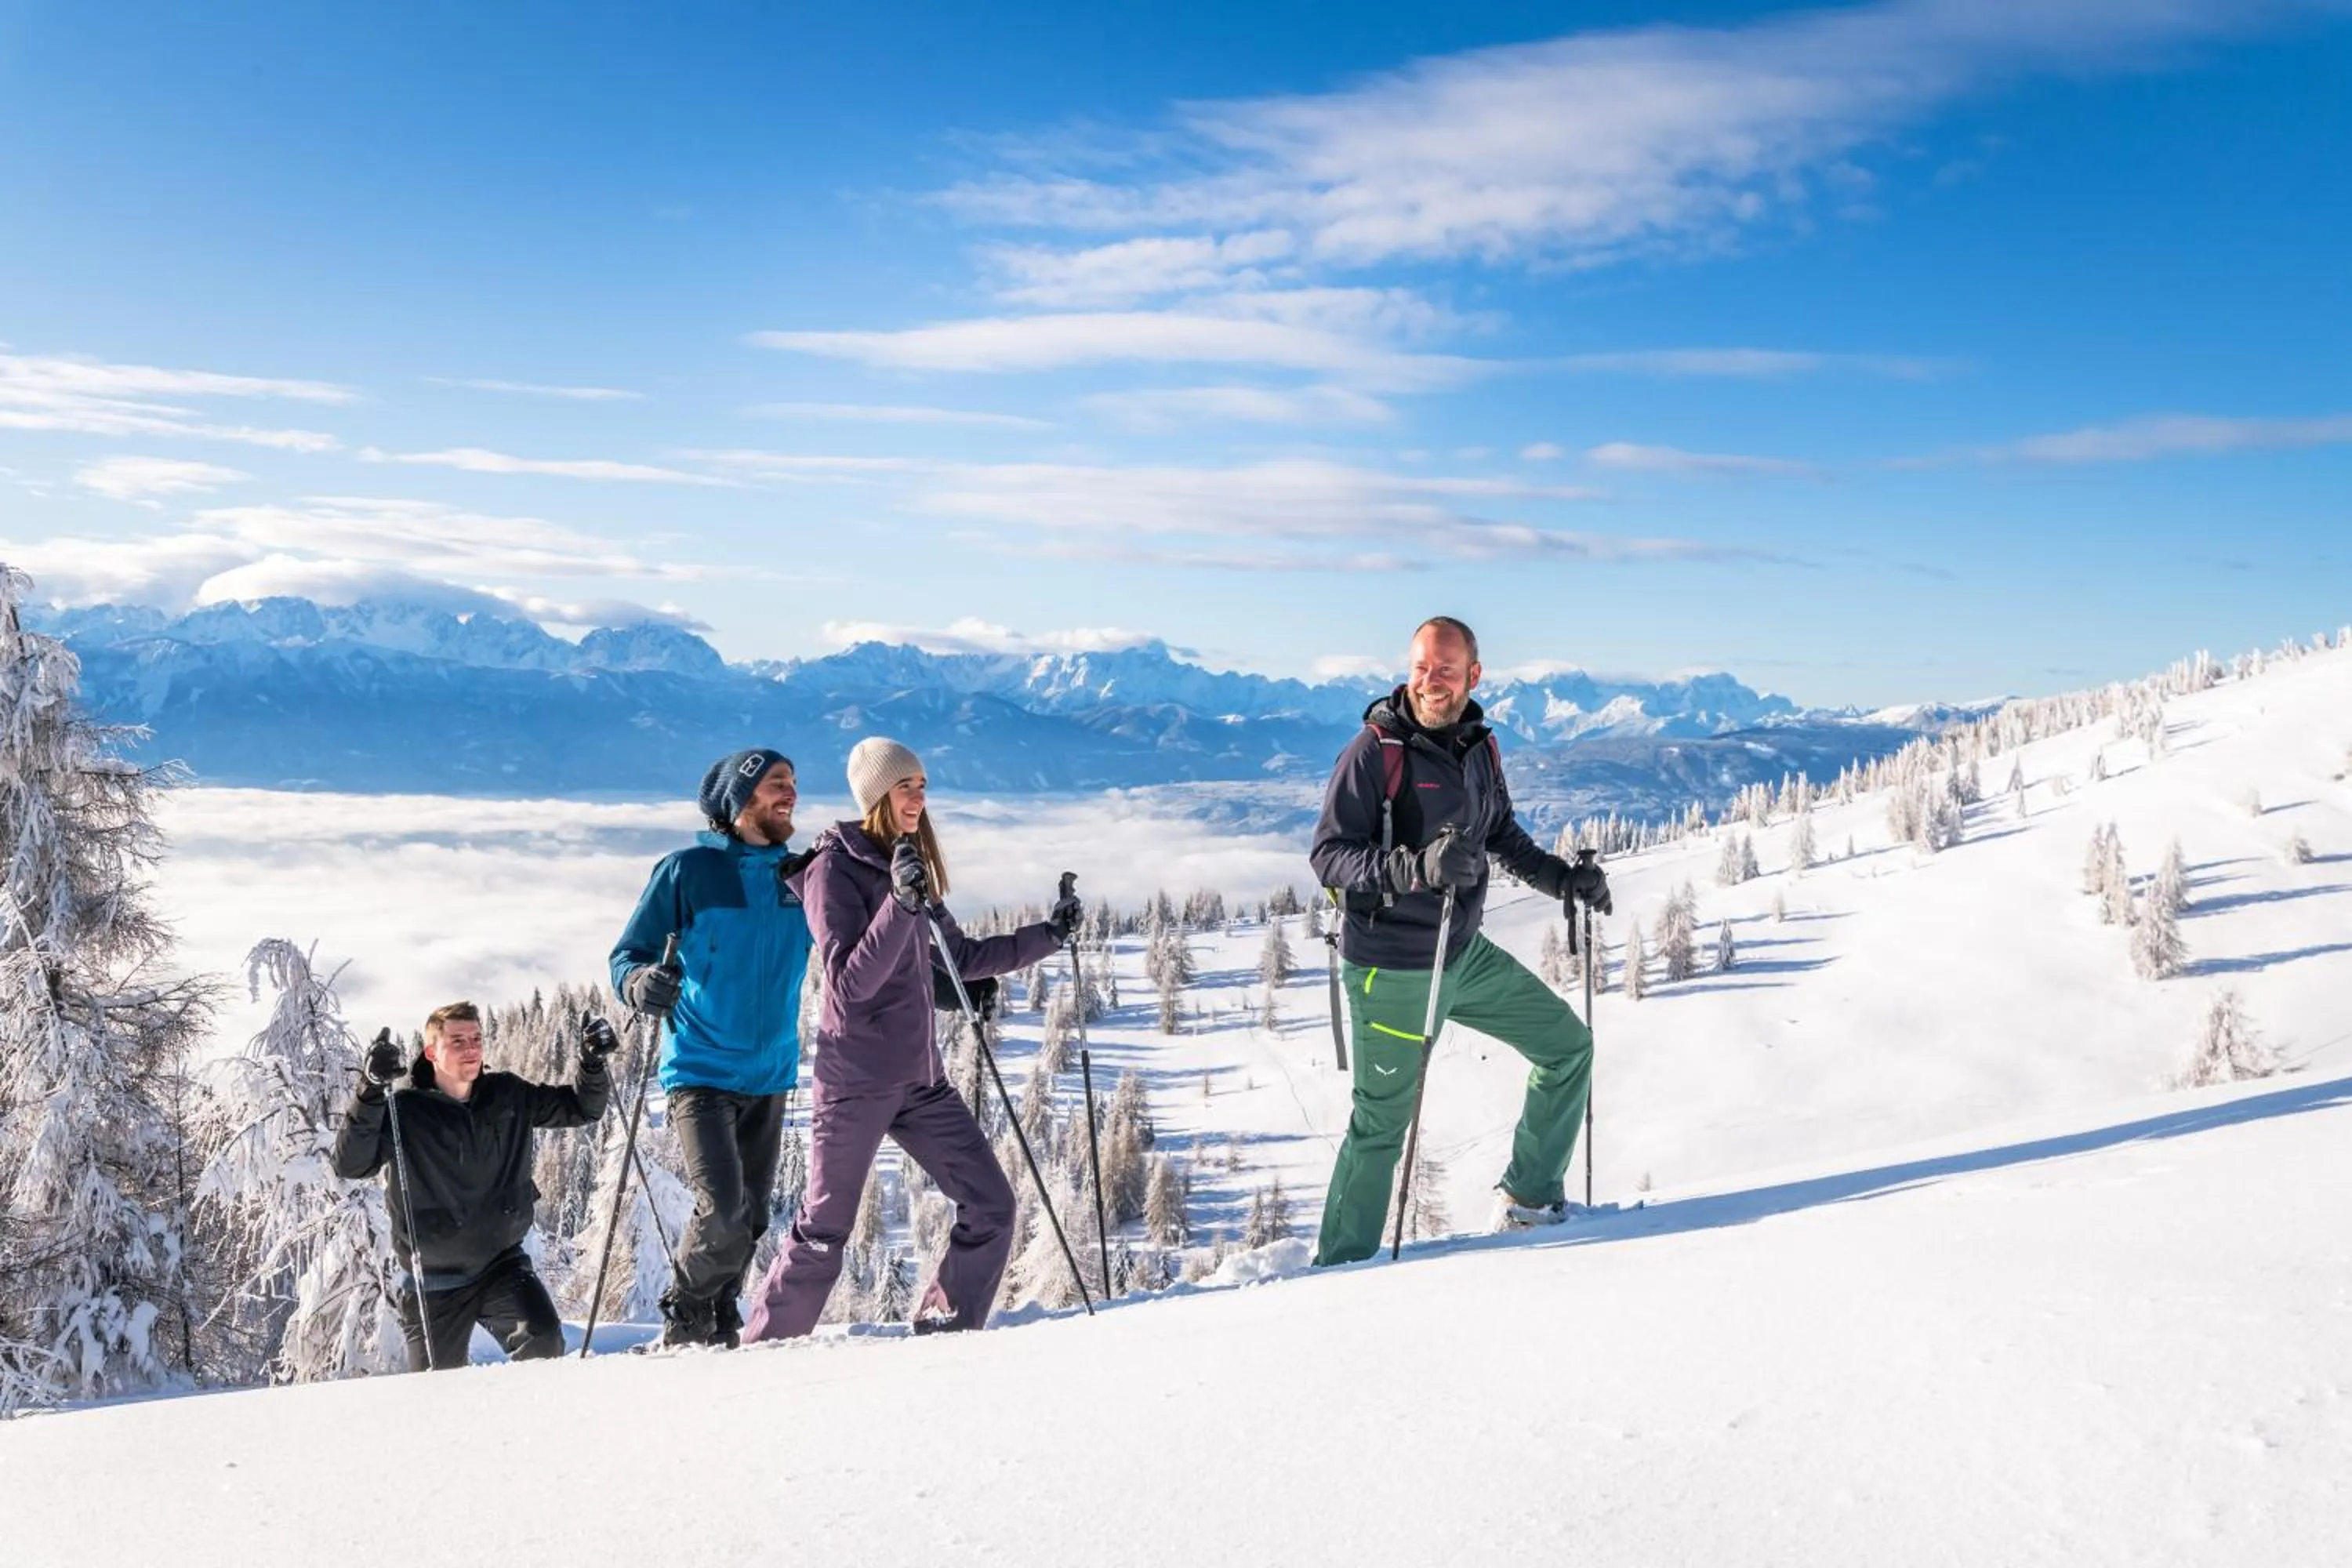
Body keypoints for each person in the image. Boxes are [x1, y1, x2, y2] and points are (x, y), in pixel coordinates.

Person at [741, 736, 1081, 1341]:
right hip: (856, 1083)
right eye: (907, 786)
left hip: (922, 1083)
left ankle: (945, 1333)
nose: (919, 797)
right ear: (877, 794)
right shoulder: (831, 870)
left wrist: (1049, 934)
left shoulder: (907, 864)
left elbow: (963, 956)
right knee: (824, 1231)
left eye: (923, 785)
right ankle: (766, 1348)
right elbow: (849, 986)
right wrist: (899, 904)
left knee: (992, 1206)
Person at [1308, 615, 1613, 1266]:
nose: (1431, 680)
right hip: (1390, 971)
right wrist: (1413, 868)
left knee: (1567, 1048)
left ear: (1473, 676)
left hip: (1461, 954)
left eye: (1445, 669)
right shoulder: (1376, 751)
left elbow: (1500, 833)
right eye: (1421, 666)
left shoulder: (1480, 746)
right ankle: (1337, 1270)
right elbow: (1330, 857)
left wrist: (1564, 881)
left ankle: (1531, 1202)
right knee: (1381, 1130)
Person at [611, 747, 815, 1348]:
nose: (792, 794)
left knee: (750, 1219)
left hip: (771, 1072)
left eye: (794, 783)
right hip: (699, 1070)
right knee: (723, 1208)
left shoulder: (801, 875)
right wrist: (639, 983)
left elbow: (860, 944)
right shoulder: (688, 870)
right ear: (740, 801)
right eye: (778, 783)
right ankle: (686, 1312)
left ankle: (720, 1318)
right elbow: (629, 955)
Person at [332, 1003, 615, 1371]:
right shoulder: (406, 1111)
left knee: (544, 1341)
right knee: (436, 1391)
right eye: (458, 1040)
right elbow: (351, 1164)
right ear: (432, 1051)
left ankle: (531, 1427)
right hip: (433, 1279)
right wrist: (369, 1090)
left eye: (477, 1039)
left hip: (503, 1264)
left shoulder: (508, 1094)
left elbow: (581, 1108)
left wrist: (592, 1063)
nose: (471, 1048)